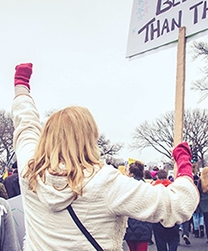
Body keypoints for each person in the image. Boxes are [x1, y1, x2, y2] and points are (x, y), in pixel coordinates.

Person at [11, 63, 198, 251]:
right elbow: (178, 204)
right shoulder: (104, 182)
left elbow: (25, 125)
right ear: (90, 138)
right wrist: (183, 162)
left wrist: (21, 87)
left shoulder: (30, 170)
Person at [124, 161, 153, 251]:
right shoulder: (147, 187)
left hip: (129, 223)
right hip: (144, 223)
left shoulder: (126, 187)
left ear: (132, 173)